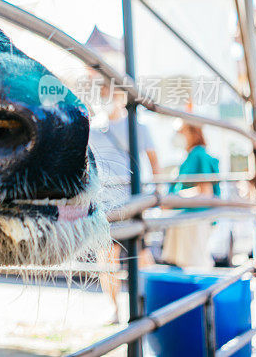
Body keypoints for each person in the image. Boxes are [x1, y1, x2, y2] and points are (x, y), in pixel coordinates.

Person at [88, 85, 160, 324]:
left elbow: (153, 160)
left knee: (142, 254)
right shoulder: (93, 128)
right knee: (106, 256)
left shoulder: (138, 126)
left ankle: (150, 302)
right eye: (104, 91)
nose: (108, 96)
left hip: (133, 200)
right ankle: (114, 308)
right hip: (106, 202)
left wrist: (156, 194)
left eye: (112, 90)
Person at [161, 123, 220, 268]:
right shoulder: (190, 157)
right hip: (186, 220)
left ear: (193, 133)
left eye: (182, 131)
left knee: (195, 265)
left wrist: (174, 200)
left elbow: (205, 192)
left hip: (194, 220)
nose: (178, 136)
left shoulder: (198, 155)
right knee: (187, 264)